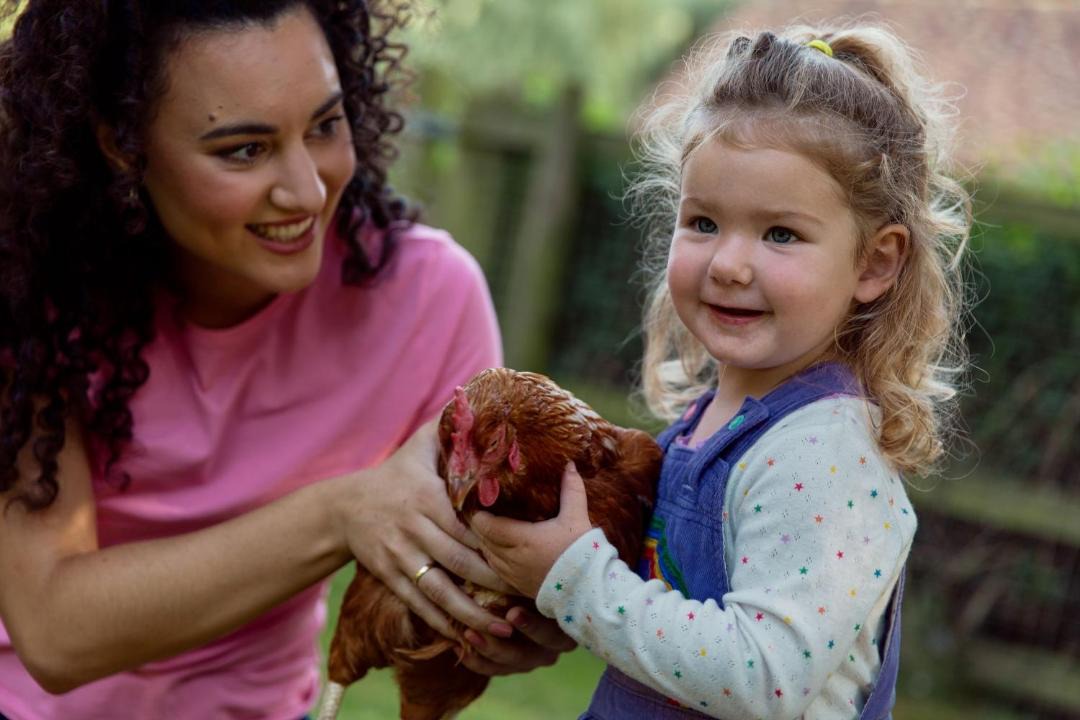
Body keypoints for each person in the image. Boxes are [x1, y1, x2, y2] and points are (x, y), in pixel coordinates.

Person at [0, 2, 571, 718]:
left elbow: (464, 566)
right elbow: (55, 631)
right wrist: (341, 513)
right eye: (245, 149)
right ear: (121, 143)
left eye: (325, 125)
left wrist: (509, 614)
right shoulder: (29, 293)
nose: (306, 190)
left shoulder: (429, 299)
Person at [472, 22, 972, 720]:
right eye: (704, 223)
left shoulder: (822, 454)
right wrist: (555, 606)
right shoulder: (712, 423)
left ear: (875, 262)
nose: (729, 264)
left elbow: (763, 677)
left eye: (780, 234)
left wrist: (577, 582)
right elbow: (660, 615)